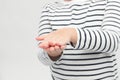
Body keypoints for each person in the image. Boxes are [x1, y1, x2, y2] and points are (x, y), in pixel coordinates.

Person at [36, 0, 120, 79]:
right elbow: (42, 55)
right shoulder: (49, 9)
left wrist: (71, 34)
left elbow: (113, 42)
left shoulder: (109, 2)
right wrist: (52, 54)